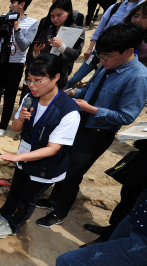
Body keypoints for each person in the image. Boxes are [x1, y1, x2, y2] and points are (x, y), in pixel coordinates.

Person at [34, 23, 147, 228]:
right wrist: (74, 94)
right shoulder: (106, 66)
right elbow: (90, 89)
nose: (102, 61)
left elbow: (126, 116)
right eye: (101, 57)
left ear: (129, 52)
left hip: (97, 133)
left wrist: (92, 110)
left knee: (73, 173)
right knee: (61, 162)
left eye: (107, 57)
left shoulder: (138, 77)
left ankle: (59, 212)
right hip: (79, 123)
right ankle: (53, 200)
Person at [0, 54, 81, 238]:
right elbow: (15, 128)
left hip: (47, 164)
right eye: (29, 80)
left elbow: (53, 148)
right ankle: (5, 215)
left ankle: (14, 225)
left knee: (29, 198)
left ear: (56, 77)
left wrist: (16, 157)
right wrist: (20, 117)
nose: (32, 85)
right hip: (25, 155)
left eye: (38, 80)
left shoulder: (69, 111)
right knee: (15, 190)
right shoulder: (30, 98)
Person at [68, 0, 147, 88]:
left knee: (99, 83)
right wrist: (91, 47)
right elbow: (101, 27)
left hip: (119, 56)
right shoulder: (116, 7)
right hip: (100, 50)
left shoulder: (143, 10)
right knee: (76, 77)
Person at [0, 0, 39, 138]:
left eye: (13, 3)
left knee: (9, 96)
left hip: (16, 65)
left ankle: (2, 126)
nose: (10, 6)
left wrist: (16, 29)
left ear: (22, 5)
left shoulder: (33, 22)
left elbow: (24, 46)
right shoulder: (3, 18)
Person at [31, 0, 86, 86]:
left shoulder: (77, 32)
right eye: (52, 16)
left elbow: (75, 55)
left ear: (68, 12)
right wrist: (36, 52)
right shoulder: (46, 31)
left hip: (60, 75)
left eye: (59, 15)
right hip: (42, 74)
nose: (55, 19)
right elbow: (37, 56)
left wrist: (61, 46)